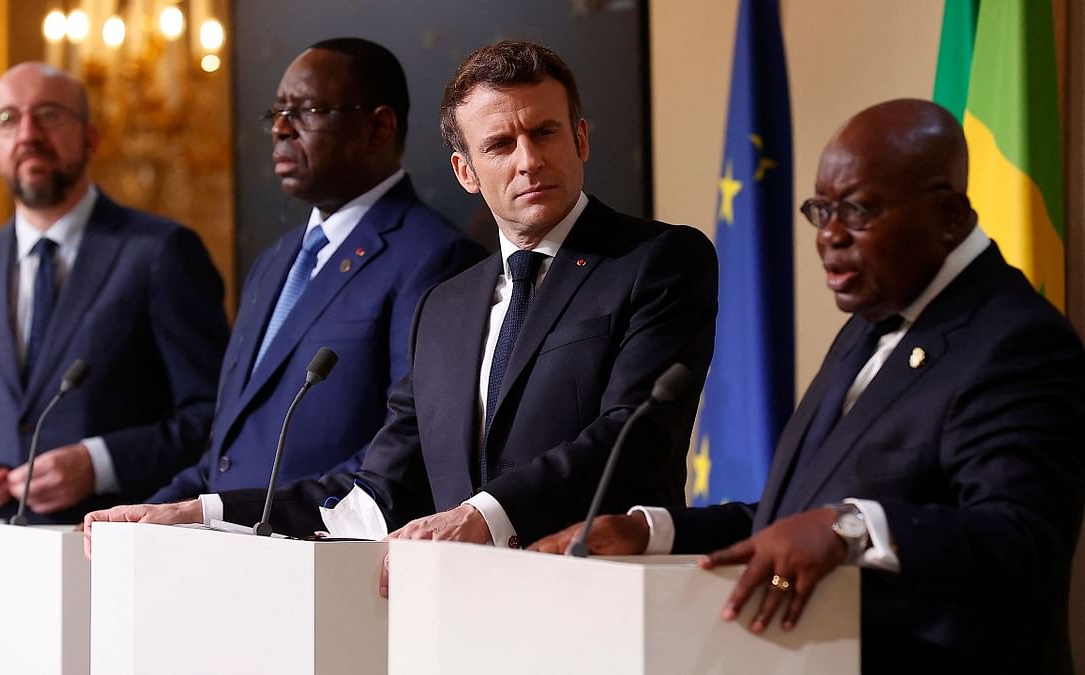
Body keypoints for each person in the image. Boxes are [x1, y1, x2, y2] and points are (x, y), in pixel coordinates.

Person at [85, 41, 717, 574]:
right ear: (466, 171)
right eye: (500, 145)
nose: (529, 160)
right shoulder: (446, 306)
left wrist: (479, 516)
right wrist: (201, 514)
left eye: (545, 131)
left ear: (579, 137)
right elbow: (376, 494)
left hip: (604, 593)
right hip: (455, 609)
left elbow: (633, 435)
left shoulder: (657, 259)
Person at [531, 99, 1085, 673]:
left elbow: (1022, 544)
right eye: (822, 210)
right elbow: (793, 521)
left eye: (860, 210)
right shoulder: (866, 326)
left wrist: (847, 527)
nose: (830, 237)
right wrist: (651, 530)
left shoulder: (1015, 341)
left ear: (949, 214)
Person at [146, 38, 484, 503]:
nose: (281, 128)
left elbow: (409, 447)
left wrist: (229, 512)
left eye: (307, 111)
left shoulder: (436, 258)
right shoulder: (272, 262)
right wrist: (138, 519)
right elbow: (226, 457)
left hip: (325, 558)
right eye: (277, 113)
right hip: (224, 551)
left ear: (378, 128)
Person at [0, 63, 230, 524]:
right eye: (8, 120)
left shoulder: (161, 252)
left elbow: (213, 416)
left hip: (111, 548)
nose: (28, 133)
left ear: (91, 139)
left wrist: (99, 465)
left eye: (49, 115)